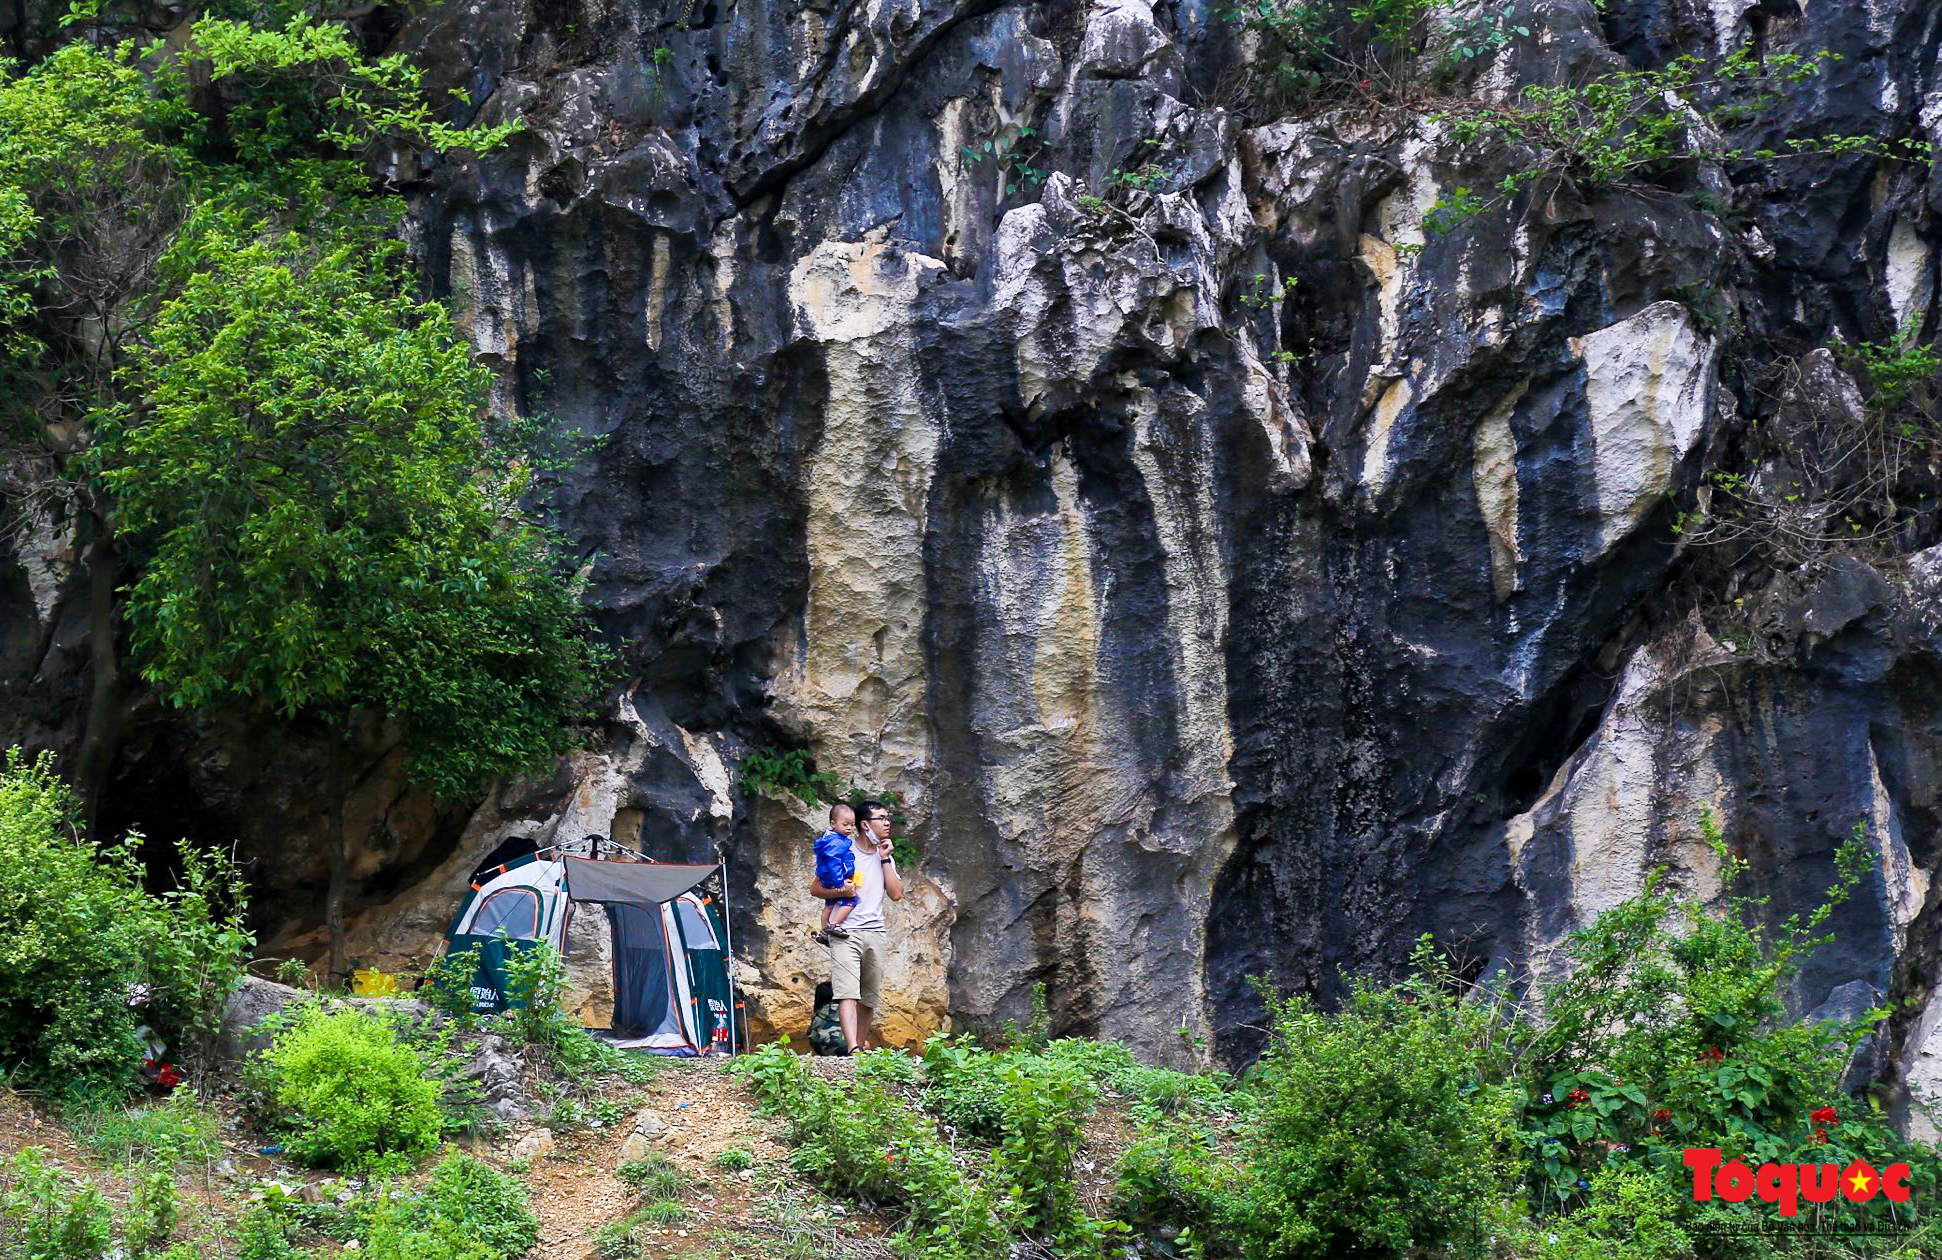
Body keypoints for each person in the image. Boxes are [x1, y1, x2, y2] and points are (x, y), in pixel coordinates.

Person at [810, 799, 903, 1054]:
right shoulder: (843, 851)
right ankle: (853, 1049)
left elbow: (896, 894)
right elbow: (815, 888)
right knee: (846, 992)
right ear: (865, 824)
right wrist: (841, 889)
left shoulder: (885, 857)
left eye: (888, 818)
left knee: (869, 996)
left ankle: (860, 1045)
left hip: (876, 932)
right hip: (845, 931)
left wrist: (885, 860)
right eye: (881, 819)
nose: (886, 823)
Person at [812, 803, 860, 945]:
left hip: (827, 876)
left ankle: (823, 931)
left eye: (852, 825)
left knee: (829, 905)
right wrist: (840, 883)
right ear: (833, 823)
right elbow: (834, 862)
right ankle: (833, 925)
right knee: (851, 900)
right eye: (845, 824)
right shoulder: (837, 842)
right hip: (835, 878)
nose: (850, 828)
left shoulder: (829, 839)